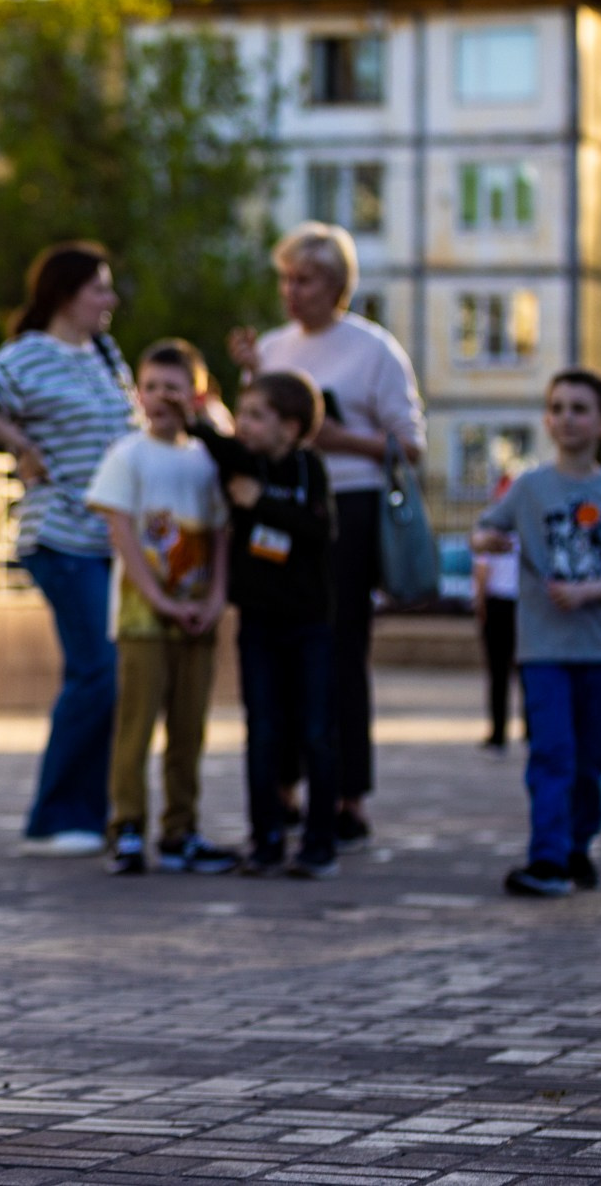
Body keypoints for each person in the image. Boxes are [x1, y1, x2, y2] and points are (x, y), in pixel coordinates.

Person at [230, 222, 424, 852]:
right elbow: (254, 434)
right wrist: (248, 383)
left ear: (338, 284)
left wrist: (342, 441)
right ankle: (283, 791)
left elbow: (412, 447)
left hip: (348, 508)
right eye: (285, 277)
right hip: (273, 514)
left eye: (305, 279)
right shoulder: (277, 346)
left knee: (337, 654)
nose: (292, 290)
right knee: (275, 655)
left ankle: (346, 797)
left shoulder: (374, 349)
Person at [0, 241, 137, 857]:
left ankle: (88, 812)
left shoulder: (106, 356)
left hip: (109, 540)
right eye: (100, 289)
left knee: (104, 675)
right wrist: (18, 443)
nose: (110, 300)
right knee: (97, 671)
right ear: (67, 295)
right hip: (60, 534)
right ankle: (59, 816)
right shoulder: (32, 354)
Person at [473, 370, 601, 899]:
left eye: (580, 409)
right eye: (558, 408)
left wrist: (589, 591)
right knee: (552, 751)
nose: (567, 418)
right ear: (547, 419)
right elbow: (486, 528)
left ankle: (578, 844)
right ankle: (546, 857)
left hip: (597, 648)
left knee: (592, 756)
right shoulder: (529, 486)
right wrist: (491, 541)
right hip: (542, 647)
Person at [84, 340, 234, 877]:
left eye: (174, 386)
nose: (161, 397)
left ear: (196, 395)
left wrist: (214, 600)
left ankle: (180, 832)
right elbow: (122, 535)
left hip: (196, 620)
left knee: (189, 730)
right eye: (151, 386)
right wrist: (162, 601)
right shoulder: (127, 455)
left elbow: (219, 536)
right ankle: (127, 828)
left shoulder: (208, 461)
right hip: (142, 620)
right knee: (136, 726)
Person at [192, 371, 339, 877]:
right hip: (258, 624)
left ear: (292, 427)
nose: (245, 424)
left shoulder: (310, 469)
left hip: (310, 624)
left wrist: (262, 502)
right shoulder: (243, 459)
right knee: (263, 730)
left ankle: (320, 841)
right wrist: (189, 409)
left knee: (317, 731)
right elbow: (211, 440)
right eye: (243, 413)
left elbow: (320, 528)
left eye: (257, 415)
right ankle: (266, 839)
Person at [475, 476, 522, 752]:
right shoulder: (523, 527)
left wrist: (479, 604)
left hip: (500, 604)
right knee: (526, 670)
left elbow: (482, 571)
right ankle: (530, 730)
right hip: (519, 604)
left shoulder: (492, 527)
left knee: (498, 672)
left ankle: (499, 733)